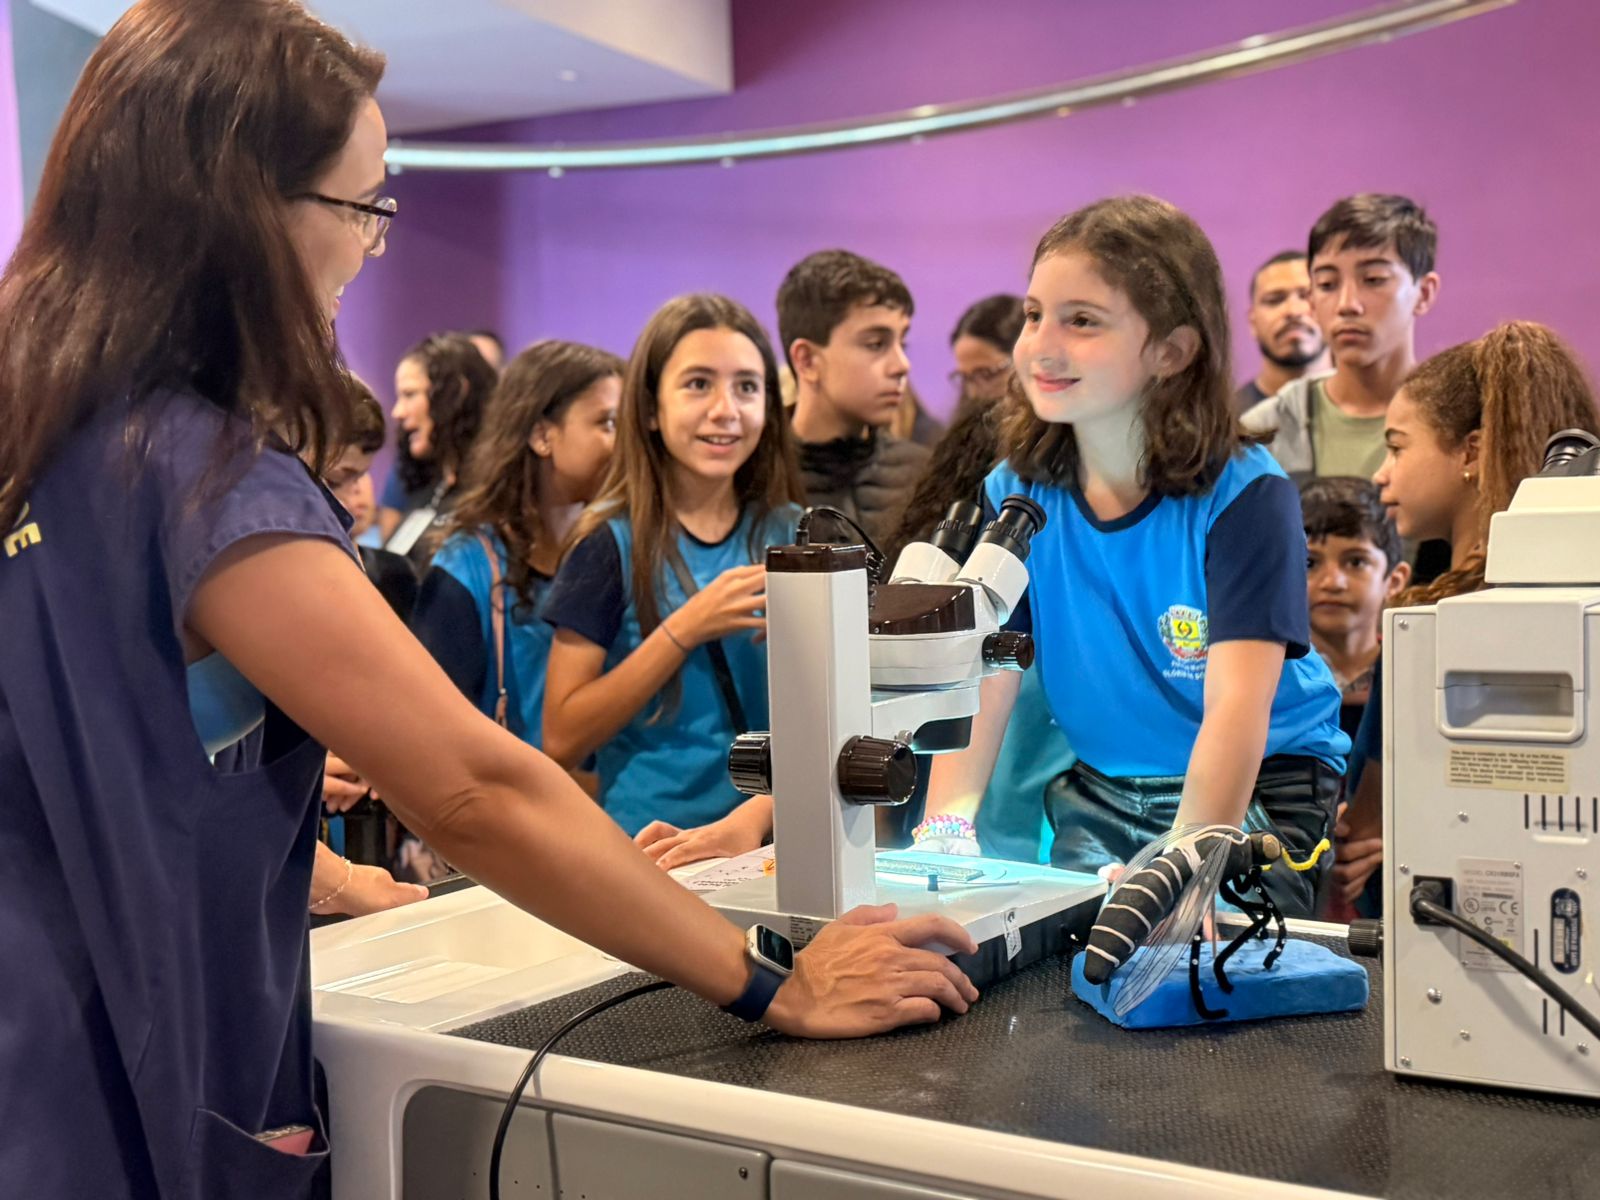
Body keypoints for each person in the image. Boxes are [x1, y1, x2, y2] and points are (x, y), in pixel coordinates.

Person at [0, 5, 978, 1194]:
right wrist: (775, 981)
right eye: (363, 208)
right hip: (100, 1077)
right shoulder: (212, 479)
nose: (369, 247)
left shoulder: (45, 428)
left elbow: (98, 757)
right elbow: (474, 785)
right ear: (251, 212)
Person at [915, 195, 1348, 917]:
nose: (1041, 345)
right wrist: (945, 828)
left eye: (1082, 321)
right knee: (1077, 959)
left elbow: (1237, 714)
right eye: (1033, 315)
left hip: (1263, 781)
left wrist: (1190, 858)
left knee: (1202, 966)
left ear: (1171, 351)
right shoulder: (1013, 488)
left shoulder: (1246, 496)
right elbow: (992, 668)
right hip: (1105, 783)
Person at [1332, 321, 1600, 911]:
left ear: (1471, 452)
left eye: (1398, 446)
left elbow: (1367, 824)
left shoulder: (1423, 625)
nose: (1382, 472)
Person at [541, 294, 805, 838]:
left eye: (747, 387)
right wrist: (686, 627)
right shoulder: (609, 543)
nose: (725, 410)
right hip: (657, 844)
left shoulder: (795, 533)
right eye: (698, 384)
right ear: (650, 410)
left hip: (781, 836)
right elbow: (562, 736)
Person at [413, 338, 620, 755]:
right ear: (543, 435)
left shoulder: (620, 552)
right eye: (608, 423)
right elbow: (433, 744)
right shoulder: (465, 568)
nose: (625, 445)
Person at [1243, 194, 1439, 483]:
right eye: (1327, 284)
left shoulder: (1458, 425)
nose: (1347, 304)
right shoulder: (1263, 433)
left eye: (1373, 279)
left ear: (1424, 293)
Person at [779, 249, 928, 548]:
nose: (902, 365)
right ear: (807, 360)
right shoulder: (749, 480)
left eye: (903, 342)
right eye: (876, 344)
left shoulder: (926, 477)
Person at [1299, 477, 1409, 740]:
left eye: (1356, 562)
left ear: (1394, 581)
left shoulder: (1412, 675)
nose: (1333, 582)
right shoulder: (1271, 681)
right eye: (1310, 563)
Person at [379, 331, 497, 559]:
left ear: (455, 393)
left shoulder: (495, 492)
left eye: (410, 394)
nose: (397, 412)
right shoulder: (431, 485)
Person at [1234, 251, 1329, 412]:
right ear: (1253, 322)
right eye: (1274, 300)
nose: (1293, 311)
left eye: (1307, 296)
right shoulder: (1223, 422)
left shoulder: (1379, 407)